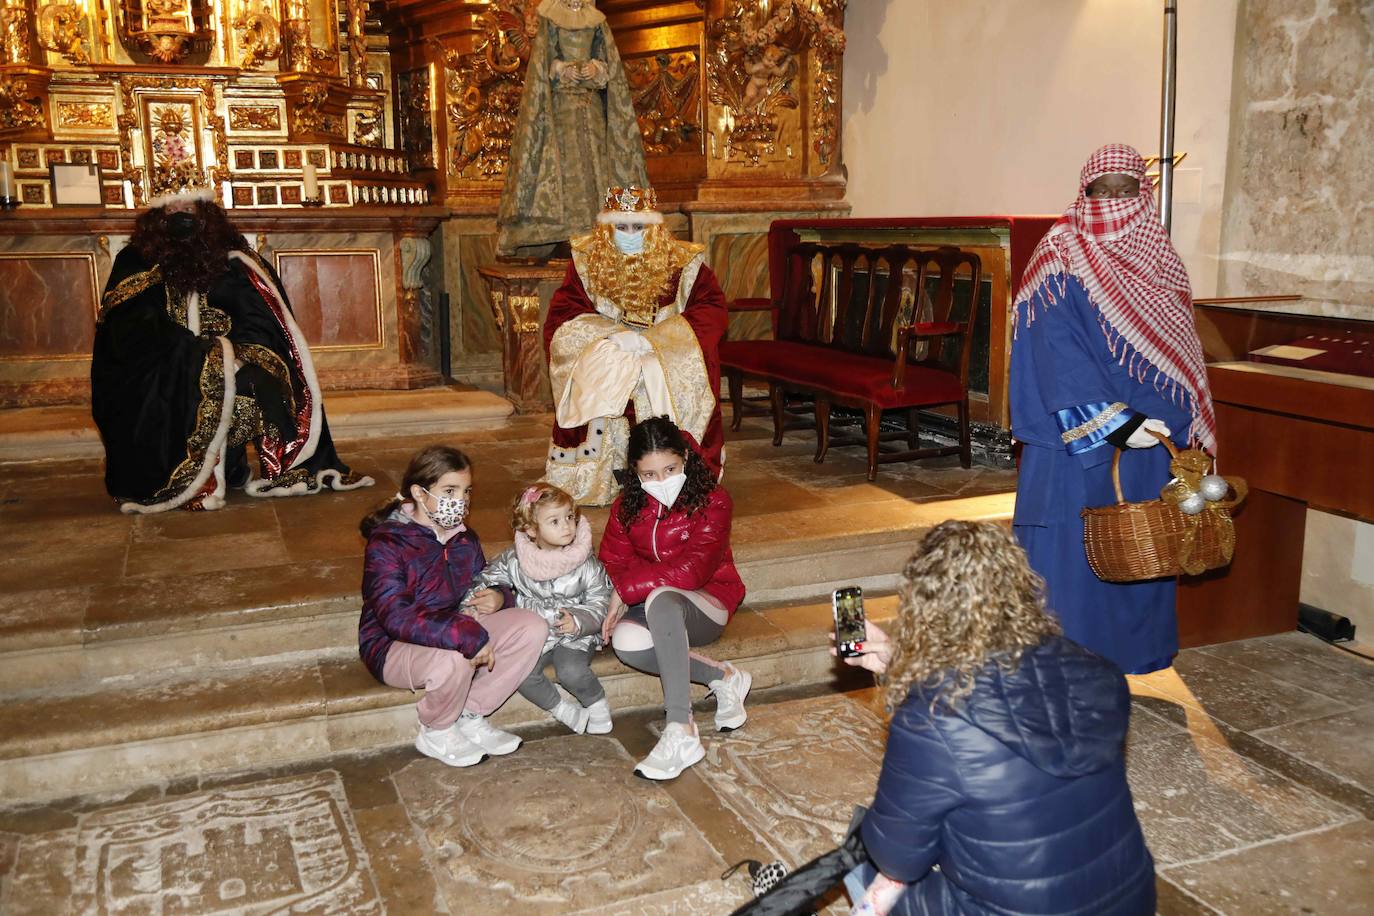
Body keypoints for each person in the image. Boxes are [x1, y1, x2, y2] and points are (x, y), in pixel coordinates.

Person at [835, 520, 1156, 916]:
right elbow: (1006, 691)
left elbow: (898, 858)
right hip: (1127, 900)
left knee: (862, 845)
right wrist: (901, 663)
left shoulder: (930, 719)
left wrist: (910, 690)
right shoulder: (1098, 673)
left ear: (924, 606)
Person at [1009, 143, 1216, 675]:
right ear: (1086, 194)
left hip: (1155, 439)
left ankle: (1132, 654)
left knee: (1146, 544)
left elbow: (1181, 344)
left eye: (1128, 190)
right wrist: (1117, 421)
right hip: (1079, 437)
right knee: (1075, 554)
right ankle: (1061, 664)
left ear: (1143, 196)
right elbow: (1055, 350)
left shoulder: (1159, 255)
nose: (1116, 202)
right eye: (1104, 191)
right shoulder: (1060, 253)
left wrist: (1184, 417)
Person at [92, 188, 372, 513]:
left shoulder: (234, 259)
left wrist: (240, 354)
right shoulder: (134, 261)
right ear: (157, 216)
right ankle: (188, 476)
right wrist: (202, 354)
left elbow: (262, 322)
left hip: (231, 365)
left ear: (205, 211)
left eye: (189, 203)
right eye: (172, 206)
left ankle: (235, 465)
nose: (181, 211)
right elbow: (127, 331)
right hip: (159, 378)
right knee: (195, 379)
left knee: (264, 383)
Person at [358, 445, 546, 768]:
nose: (460, 500)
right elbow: (395, 616)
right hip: (393, 645)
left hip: (455, 630)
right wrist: (463, 632)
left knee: (532, 627)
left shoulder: (464, 539)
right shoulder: (388, 542)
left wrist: (499, 597)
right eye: (449, 490)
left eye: (465, 491)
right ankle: (437, 729)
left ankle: (470, 714)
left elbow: (485, 581)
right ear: (419, 492)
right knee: (455, 655)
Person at [544, 186, 728, 506]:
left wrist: (654, 341)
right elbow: (563, 315)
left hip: (666, 351)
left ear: (654, 229)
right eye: (621, 227)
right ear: (606, 230)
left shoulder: (685, 264)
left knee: (654, 372)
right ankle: (604, 473)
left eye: (638, 227)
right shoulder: (586, 261)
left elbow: (711, 310)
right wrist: (608, 337)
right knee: (603, 368)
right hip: (612, 348)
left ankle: (669, 472)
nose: (630, 235)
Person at [597, 417, 751, 780]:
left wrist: (627, 590)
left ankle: (681, 729)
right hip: (651, 603)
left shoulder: (713, 500)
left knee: (663, 599)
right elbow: (614, 561)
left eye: (670, 468)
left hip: (707, 600)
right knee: (626, 641)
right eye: (649, 474)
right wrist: (622, 590)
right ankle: (724, 676)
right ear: (634, 472)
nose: (661, 481)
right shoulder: (626, 507)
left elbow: (692, 572)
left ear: (685, 457)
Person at [496, 0, 647, 257]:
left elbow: (609, 62)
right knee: (568, 166)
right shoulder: (550, 18)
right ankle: (566, 232)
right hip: (562, 107)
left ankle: (599, 229)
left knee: (597, 163)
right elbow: (542, 60)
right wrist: (561, 69)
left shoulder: (597, 20)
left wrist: (595, 68)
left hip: (591, 109)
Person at [472, 482, 616, 735]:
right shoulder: (515, 559)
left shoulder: (585, 562)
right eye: (555, 521)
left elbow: (600, 600)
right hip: (536, 634)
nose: (567, 526)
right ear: (529, 529)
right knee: (521, 672)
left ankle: (597, 704)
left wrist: (580, 620)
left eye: (570, 517)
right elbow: (487, 580)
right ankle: (563, 710)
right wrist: (486, 598)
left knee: (571, 671)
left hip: (574, 634)